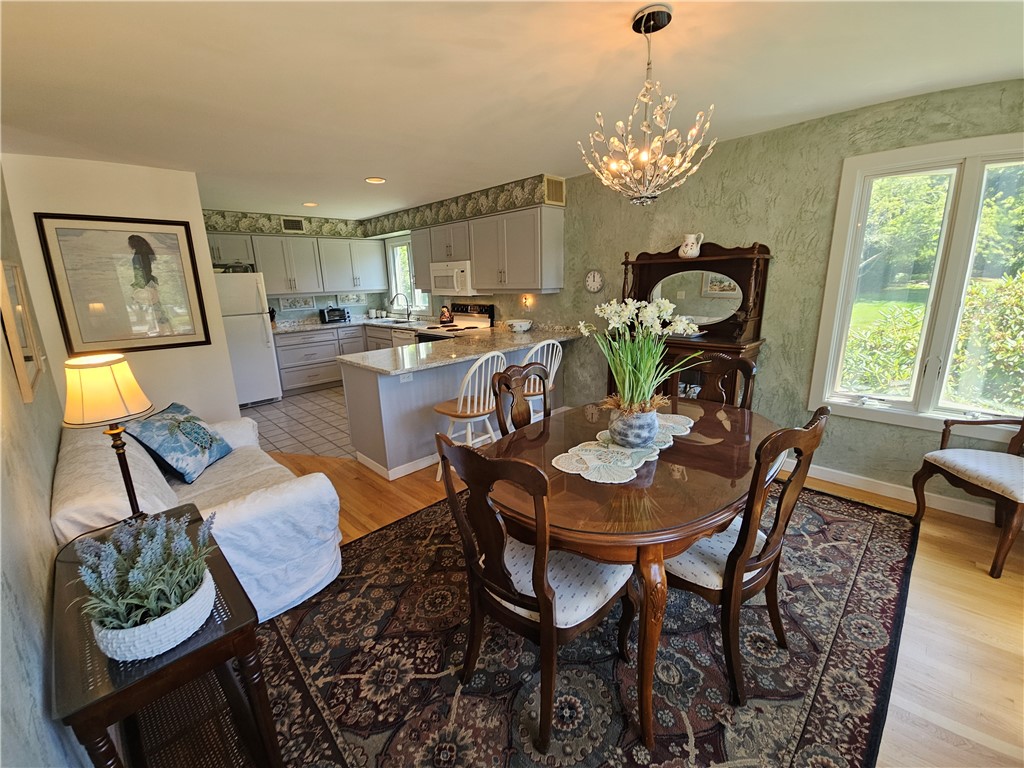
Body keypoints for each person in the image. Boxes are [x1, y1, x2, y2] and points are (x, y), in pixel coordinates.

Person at [127, 235, 172, 335]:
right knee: (156, 307)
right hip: (149, 282)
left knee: (154, 307)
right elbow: (145, 270)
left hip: (146, 283)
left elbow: (140, 271)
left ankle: (163, 329)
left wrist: (139, 285)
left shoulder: (139, 255)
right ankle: (165, 329)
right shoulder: (144, 253)